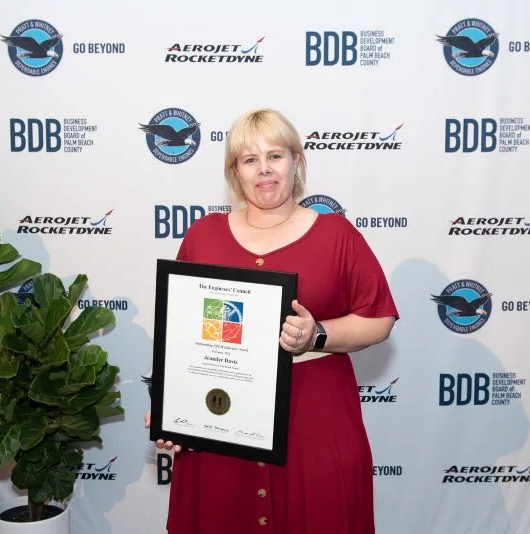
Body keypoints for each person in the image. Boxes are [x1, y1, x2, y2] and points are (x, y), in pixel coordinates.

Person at [145, 108, 398, 534]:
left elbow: (379, 319)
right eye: (250, 159)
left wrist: (317, 334)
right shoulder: (203, 236)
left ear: (296, 161)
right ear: (235, 172)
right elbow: (182, 333)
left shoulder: (337, 235)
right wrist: (173, 408)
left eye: (275, 156)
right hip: (222, 417)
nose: (264, 169)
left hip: (314, 419)